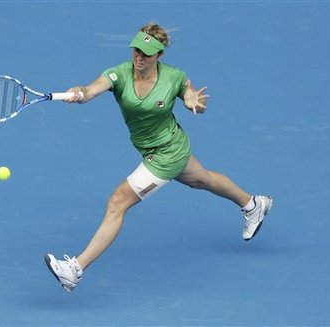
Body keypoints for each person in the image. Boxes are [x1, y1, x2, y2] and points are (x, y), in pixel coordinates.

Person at [45, 22, 272, 293]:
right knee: (202, 179)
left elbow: (192, 96)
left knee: (118, 202)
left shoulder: (174, 77)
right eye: (136, 51)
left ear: (160, 56)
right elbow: (90, 89)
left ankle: (75, 270)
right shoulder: (118, 74)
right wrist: (79, 93)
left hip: (166, 153)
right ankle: (253, 204)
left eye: (147, 53)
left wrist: (192, 101)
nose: (139, 57)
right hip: (157, 146)